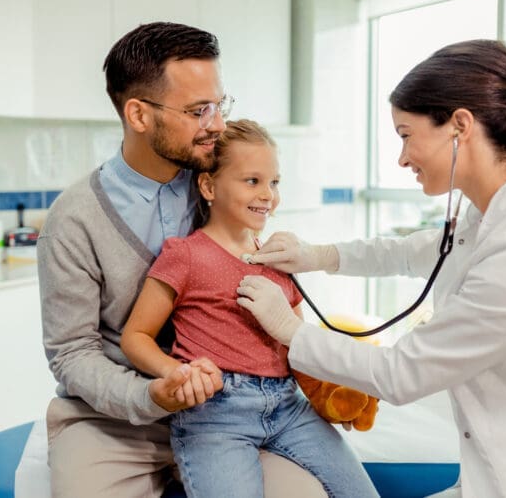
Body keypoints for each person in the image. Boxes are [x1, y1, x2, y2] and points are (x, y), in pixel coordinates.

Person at [237, 39, 506, 498]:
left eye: (407, 135)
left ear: (459, 126)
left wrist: (288, 328)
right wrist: (317, 255)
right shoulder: (495, 211)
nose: (402, 158)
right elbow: (413, 252)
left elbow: (401, 374)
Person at [37, 22, 328, 498]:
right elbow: (73, 354)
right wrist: (152, 394)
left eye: (219, 105)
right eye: (198, 111)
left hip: (232, 410)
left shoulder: (215, 186)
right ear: (138, 114)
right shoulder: (73, 222)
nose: (216, 123)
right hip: (116, 419)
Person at [120, 119, 379, 498]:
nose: (268, 196)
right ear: (208, 186)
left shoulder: (279, 257)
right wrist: (176, 373)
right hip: (216, 416)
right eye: (252, 181)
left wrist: (332, 388)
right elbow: (135, 336)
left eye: (274, 183)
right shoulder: (185, 255)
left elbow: (299, 343)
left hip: (288, 407)